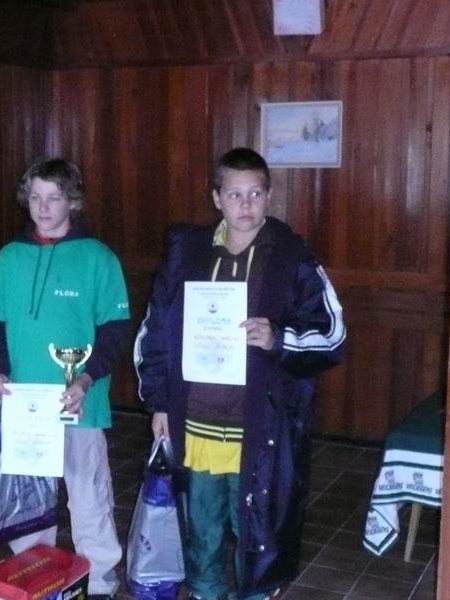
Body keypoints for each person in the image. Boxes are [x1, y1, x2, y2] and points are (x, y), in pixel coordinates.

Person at [133, 148, 346, 600]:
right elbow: (156, 331)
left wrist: (279, 339)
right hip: (196, 422)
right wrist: (159, 403)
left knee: (258, 534)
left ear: (269, 196)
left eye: (255, 194)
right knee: (201, 531)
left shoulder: (293, 258)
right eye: (234, 194)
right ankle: (206, 593)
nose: (245, 204)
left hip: (259, 428)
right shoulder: (188, 253)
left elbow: (333, 337)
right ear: (217, 198)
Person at [0, 157, 130, 600]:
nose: (43, 208)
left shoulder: (99, 258)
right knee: (29, 502)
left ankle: (99, 581)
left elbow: (115, 330)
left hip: (79, 402)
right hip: (25, 405)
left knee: (89, 497)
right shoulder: (9, 257)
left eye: (53, 198)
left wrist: (86, 380)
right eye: (35, 197)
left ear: (72, 202)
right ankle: (34, 577)